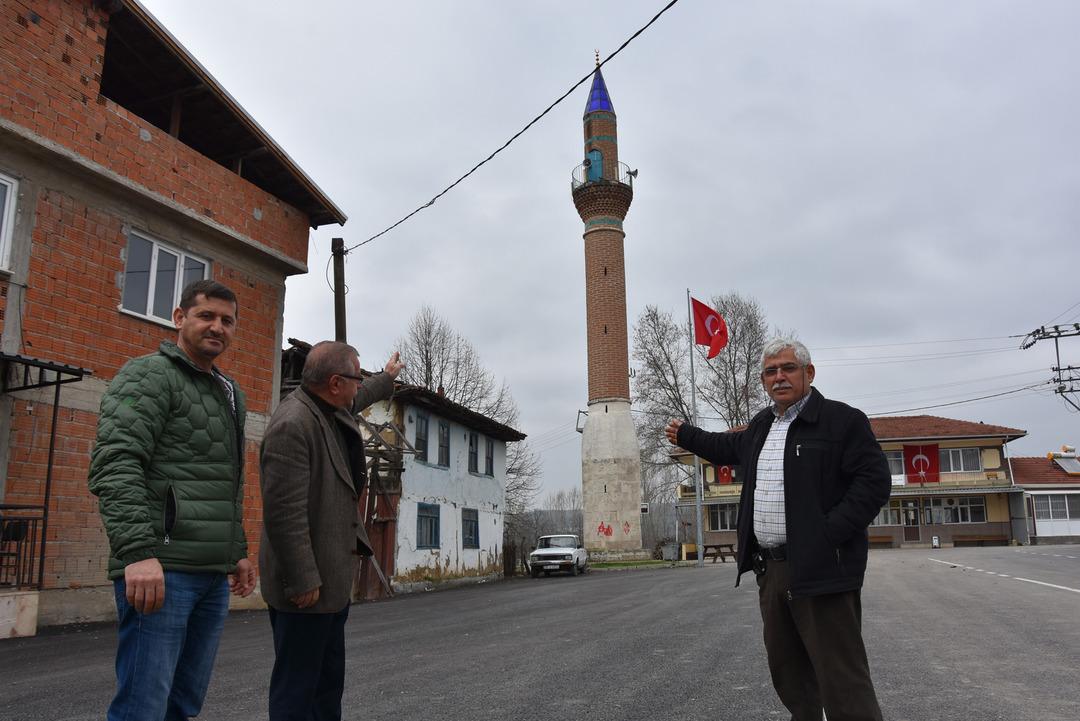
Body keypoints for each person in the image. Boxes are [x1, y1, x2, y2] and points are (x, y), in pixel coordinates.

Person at [665, 338, 890, 721]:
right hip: (771, 570)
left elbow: (874, 483)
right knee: (789, 673)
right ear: (763, 380)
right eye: (771, 371)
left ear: (809, 373)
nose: (779, 377)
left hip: (823, 569)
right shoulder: (762, 425)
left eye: (788, 368)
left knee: (842, 678)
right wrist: (686, 434)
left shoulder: (842, 422)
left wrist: (826, 535)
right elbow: (725, 446)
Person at [88, 279, 256, 721]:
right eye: (206, 316)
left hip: (210, 576)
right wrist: (137, 554)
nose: (217, 327)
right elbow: (115, 462)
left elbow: (223, 480)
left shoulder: (229, 391)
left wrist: (236, 552)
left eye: (227, 320)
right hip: (162, 571)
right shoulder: (149, 375)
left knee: (182, 705)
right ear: (179, 318)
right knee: (142, 707)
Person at [259, 340, 404, 721]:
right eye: (356, 379)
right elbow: (284, 513)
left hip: (330, 585)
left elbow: (359, 398)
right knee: (297, 689)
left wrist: (386, 379)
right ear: (335, 382)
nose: (359, 387)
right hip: (306, 589)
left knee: (326, 686)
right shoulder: (293, 425)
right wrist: (303, 578)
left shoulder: (327, 406)